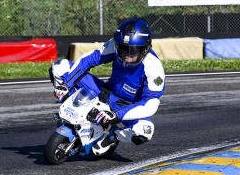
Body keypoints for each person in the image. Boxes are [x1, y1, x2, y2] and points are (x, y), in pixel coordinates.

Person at [49, 17, 165, 155]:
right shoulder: (114, 45)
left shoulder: (154, 67)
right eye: (123, 48)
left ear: (145, 49)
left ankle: (112, 137)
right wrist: (66, 84)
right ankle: (71, 112)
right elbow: (89, 59)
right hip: (105, 93)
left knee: (145, 130)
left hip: (125, 107)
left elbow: (151, 103)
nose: (126, 54)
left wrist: (117, 115)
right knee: (59, 67)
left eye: (132, 50)